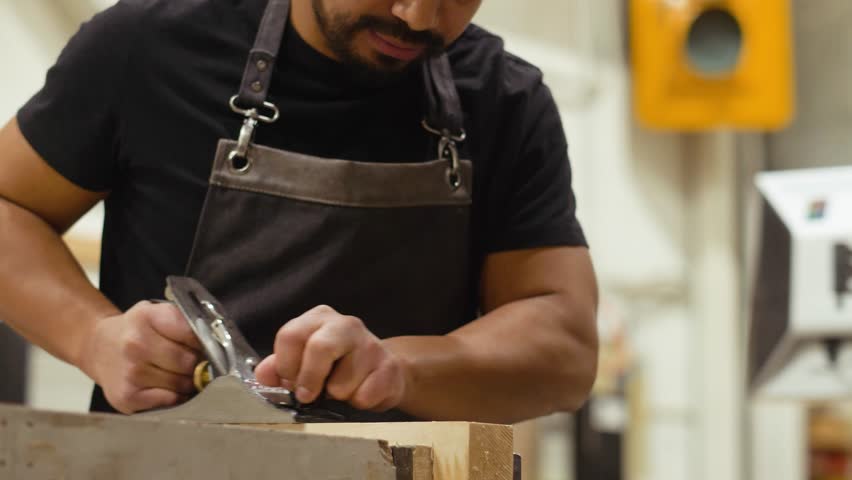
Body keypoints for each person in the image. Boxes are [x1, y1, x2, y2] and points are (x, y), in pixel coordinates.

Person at [0, 0, 598, 424]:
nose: (418, 16)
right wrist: (92, 337)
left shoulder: (505, 102)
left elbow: (565, 347)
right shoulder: (147, 48)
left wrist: (401, 368)